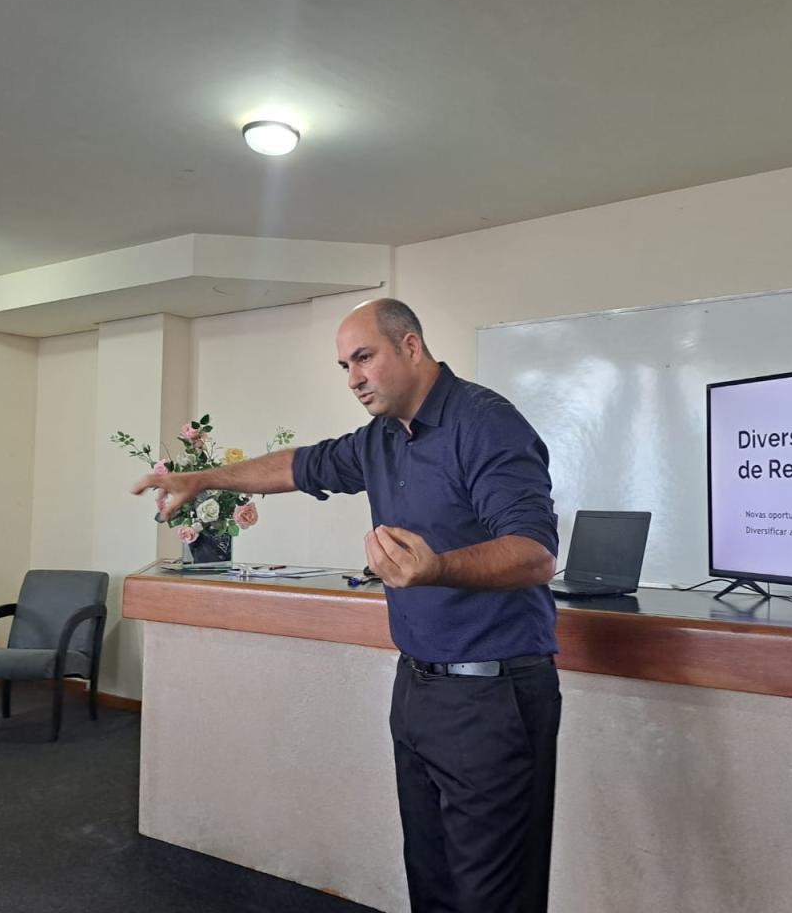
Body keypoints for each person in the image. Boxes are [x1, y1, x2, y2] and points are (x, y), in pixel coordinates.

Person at [132, 298, 562, 912]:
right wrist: (203, 479)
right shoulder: (381, 439)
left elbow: (534, 552)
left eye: (364, 358)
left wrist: (436, 567)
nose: (354, 378)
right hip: (417, 687)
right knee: (433, 885)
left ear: (410, 346)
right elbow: (297, 466)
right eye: (344, 366)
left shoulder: (485, 423)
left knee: (493, 896)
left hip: (492, 693)